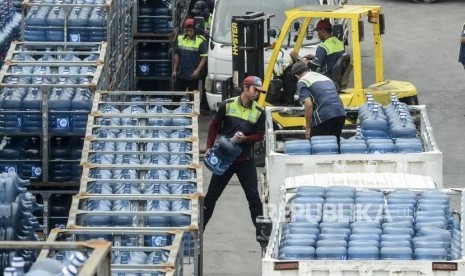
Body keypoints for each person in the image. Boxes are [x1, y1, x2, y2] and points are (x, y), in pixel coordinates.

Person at [203, 76, 266, 236]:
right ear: (246, 88)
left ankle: (262, 235)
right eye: (255, 90)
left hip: (246, 161)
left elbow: (259, 135)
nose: (257, 95)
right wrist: (209, 147)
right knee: (210, 197)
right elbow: (214, 126)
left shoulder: (259, 112)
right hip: (225, 160)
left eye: (259, 92)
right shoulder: (228, 105)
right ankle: (198, 233)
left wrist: (246, 139)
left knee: (254, 199)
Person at [292, 62, 346, 142]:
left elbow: (308, 104)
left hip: (325, 115)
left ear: (296, 76)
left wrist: (308, 127)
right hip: (340, 113)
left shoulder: (302, 81)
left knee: (317, 145)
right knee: (334, 146)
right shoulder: (324, 77)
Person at [172, 18, 208, 94]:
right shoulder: (180, 38)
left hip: (193, 75)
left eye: (191, 31)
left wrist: (197, 71)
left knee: (193, 99)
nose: (189, 33)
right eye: (187, 30)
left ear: (194, 29)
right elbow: (177, 55)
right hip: (181, 74)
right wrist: (175, 70)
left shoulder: (201, 40)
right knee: (175, 98)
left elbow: (204, 57)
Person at [190, 0, 213, 111]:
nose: (197, 15)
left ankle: (205, 104)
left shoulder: (214, 19)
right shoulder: (196, 21)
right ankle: (194, 104)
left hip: (211, 51)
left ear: (205, 12)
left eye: (199, 13)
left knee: (206, 80)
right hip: (198, 52)